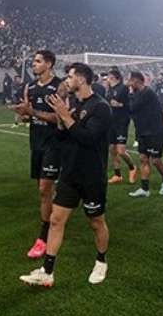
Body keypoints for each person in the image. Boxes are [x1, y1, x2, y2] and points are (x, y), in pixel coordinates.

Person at [19, 62, 112, 287]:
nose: (67, 81)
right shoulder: (72, 105)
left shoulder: (100, 107)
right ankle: (47, 272)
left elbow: (88, 139)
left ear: (81, 79)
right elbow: (62, 139)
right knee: (56, 220)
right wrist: (61, 122)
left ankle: (101, 261)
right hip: (70, 174)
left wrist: (64, 116)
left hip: (92, 176)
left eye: (70, 77)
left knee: (96, 222)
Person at [11, 50, 65, 260]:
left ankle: (43, 236)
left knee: (44, 188)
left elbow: (60, 119)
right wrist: (23, 113)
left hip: (54, 143)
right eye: (34, 61)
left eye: (38, 61)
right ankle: (55, 216)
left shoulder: (59, 86)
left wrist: (32, 112)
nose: (33, 65)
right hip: (36, 143)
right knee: (43, 191)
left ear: (49, 64)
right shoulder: (30, 87)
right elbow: (28, 116)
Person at [127, 71, 163, 197]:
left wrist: (129, 94)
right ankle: (145, 189)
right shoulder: (138, 93)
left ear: (136, 81)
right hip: (143, 132)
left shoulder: (147, 93)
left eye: (130, 81)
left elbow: (132, 107)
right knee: (143, 159)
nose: (129, 83)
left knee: (156, 161)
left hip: (155, 132)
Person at [105, 69, 137, 185]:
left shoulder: (123, 88)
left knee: (121, 151)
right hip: (111, 122)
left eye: (108, 76)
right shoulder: (109, 89)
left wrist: (120, 105)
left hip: (121, 122)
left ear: (114, 77)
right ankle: (117, 175)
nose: (107, 79)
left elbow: (131, 104)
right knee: (112, 150)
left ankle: (132, 167)